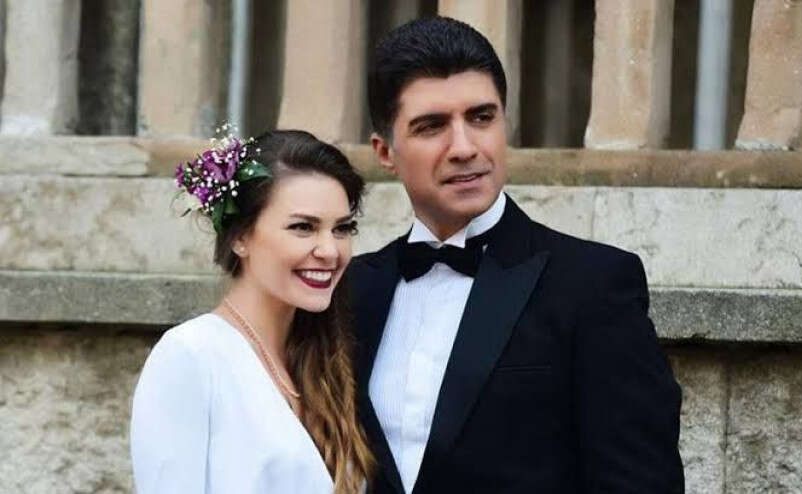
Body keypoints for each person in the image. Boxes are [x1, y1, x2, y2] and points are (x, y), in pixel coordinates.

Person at [347, 17, 684, 493]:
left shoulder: (594, 285)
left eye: (481, 117)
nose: (464, 147)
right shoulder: (352, 289)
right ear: (385, 152)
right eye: (432, 126)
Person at [131, 130, 375, 493]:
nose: (329, 250)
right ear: (240, 237)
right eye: (303, 227)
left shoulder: (326, 361)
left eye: (342, 228)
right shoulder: (191, 356)